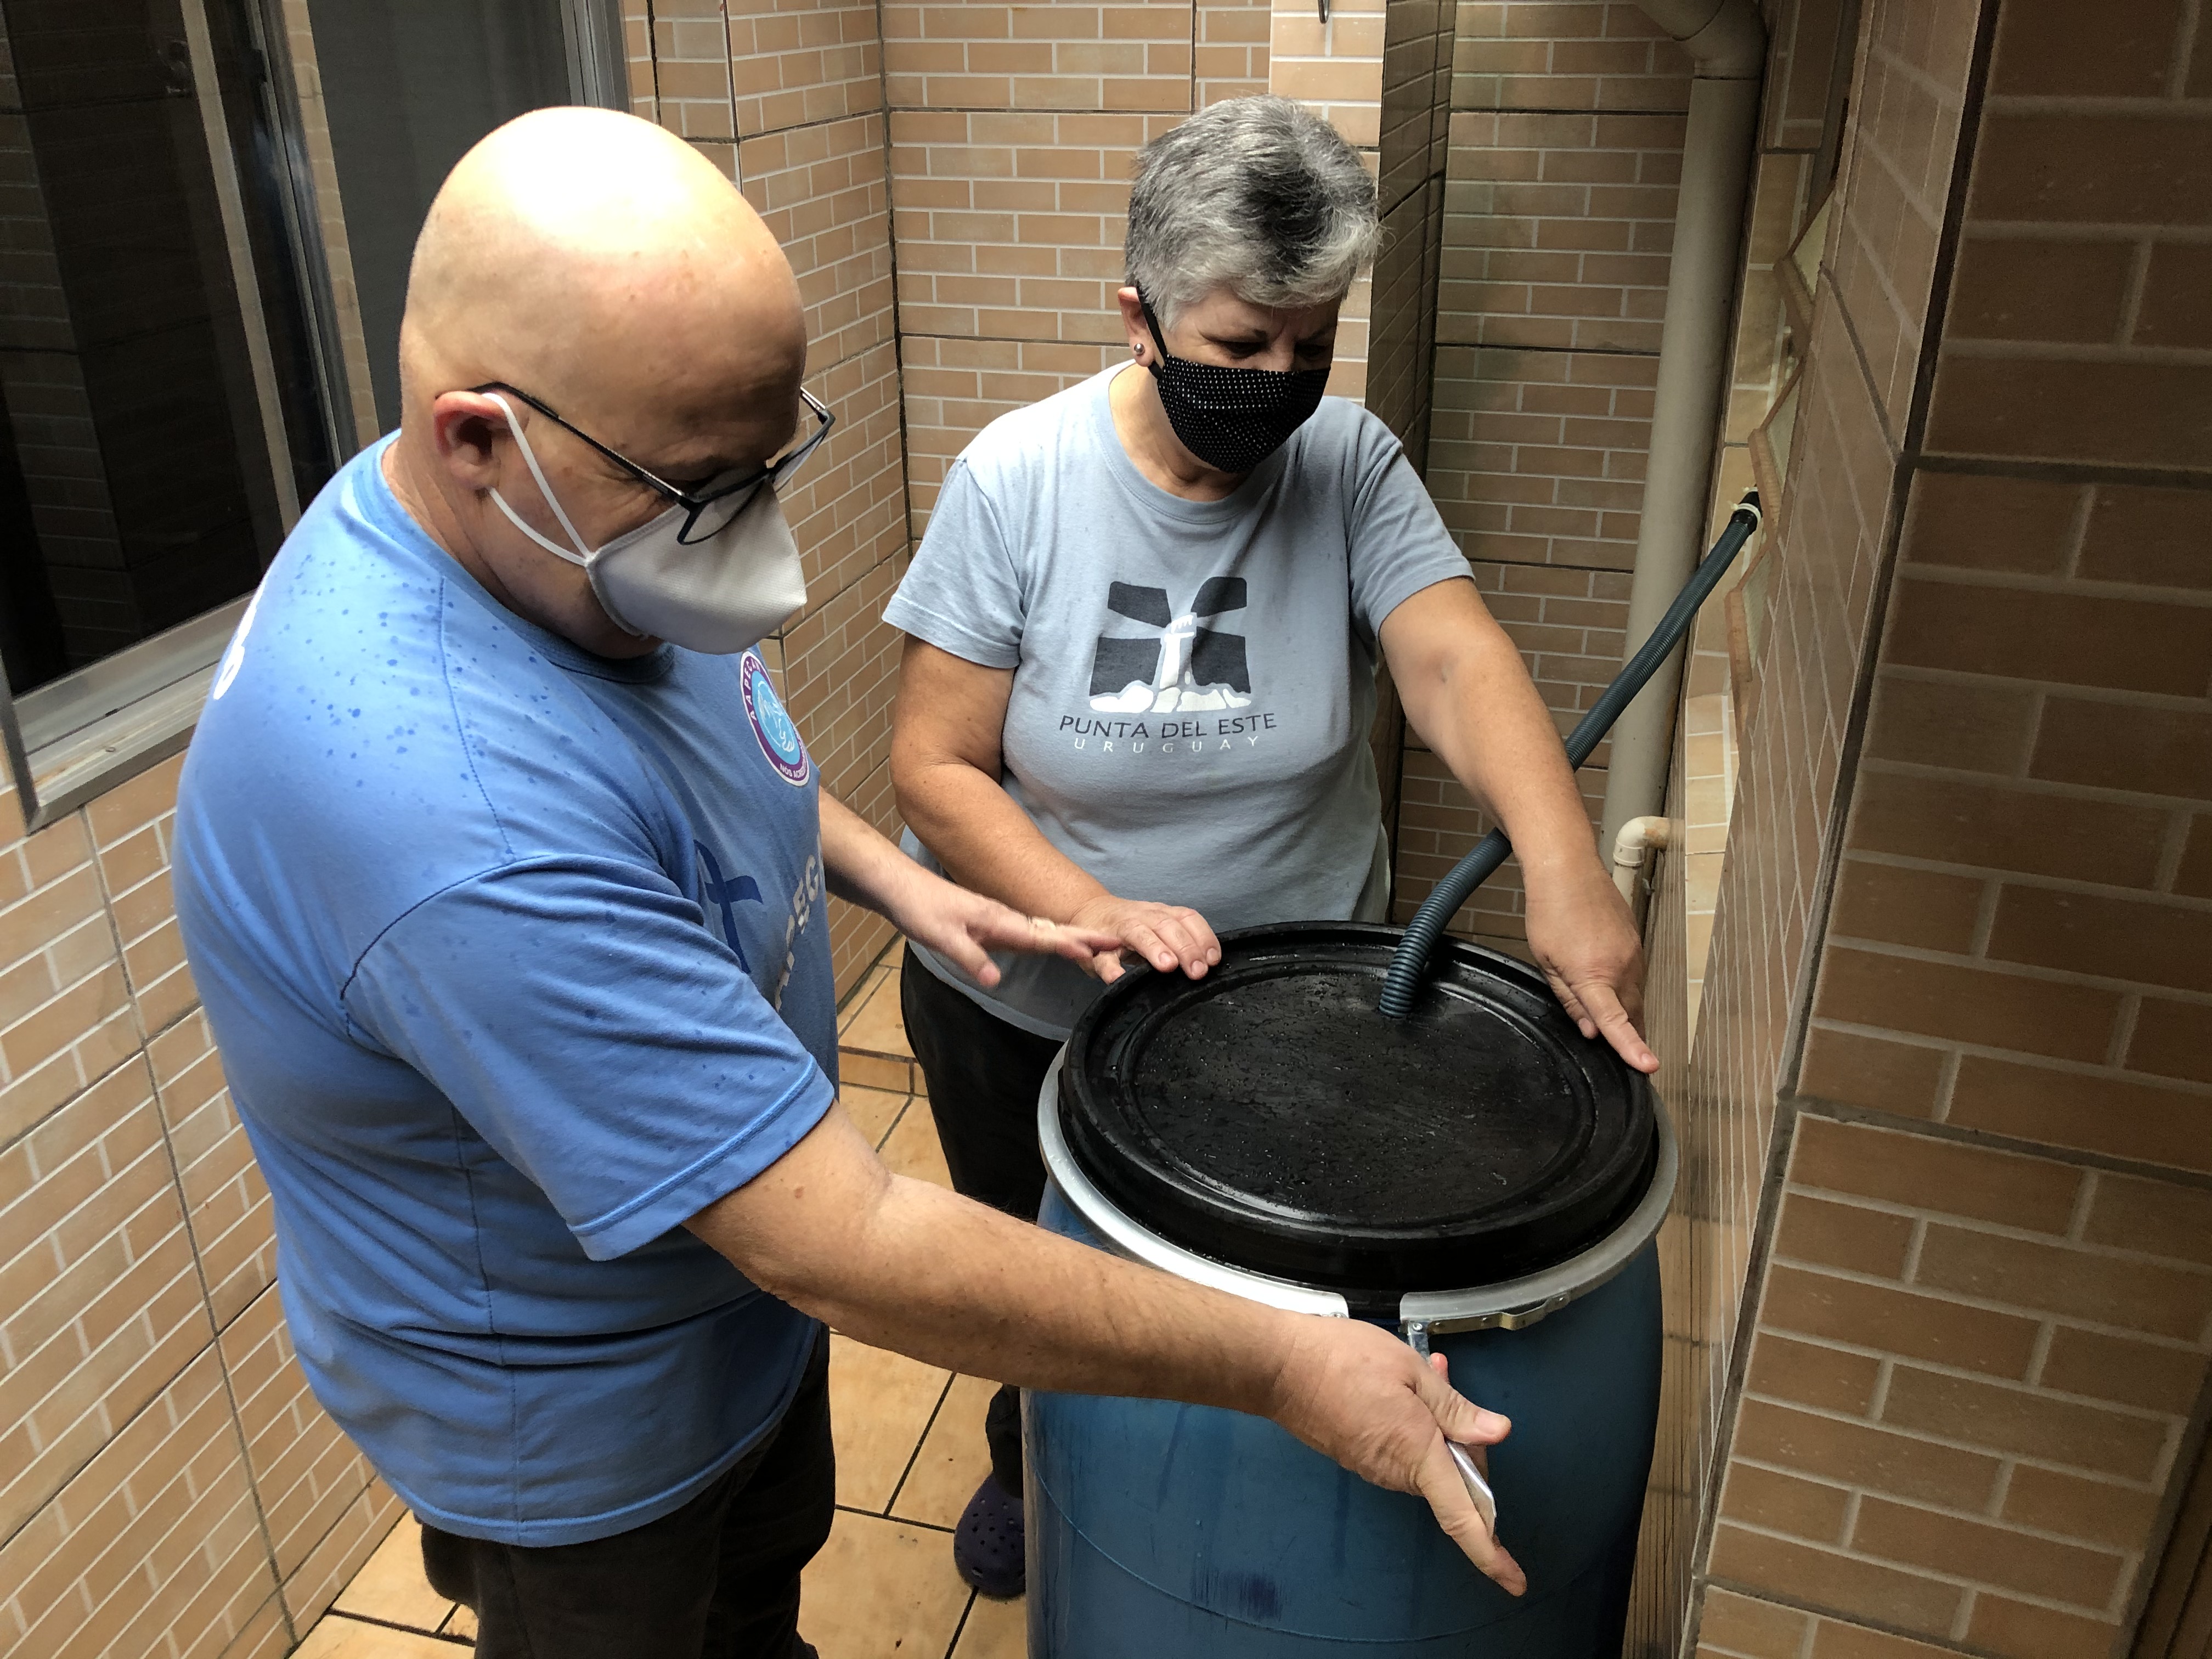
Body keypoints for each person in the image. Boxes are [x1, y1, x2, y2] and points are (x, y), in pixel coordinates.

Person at [172, 107, 1526, 1659]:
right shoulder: (440, 815)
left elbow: (673, 776)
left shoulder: (521, 536)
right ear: (474, 437)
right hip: (586, 1429)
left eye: (768, 465)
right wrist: (1289, 1365)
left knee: (757, 1616)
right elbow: (842, 1230)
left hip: (725, 1322)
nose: (759, 549)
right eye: (704, 491)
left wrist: (900, 880)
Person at [885, 94, 1654, 1595]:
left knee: (1258, 1303)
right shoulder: (1016, 482)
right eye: (1242, 350)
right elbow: (933, 769)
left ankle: (1219, 1518)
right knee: (1046, 1283)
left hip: (1284, 1012)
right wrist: (1084, 902)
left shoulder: (1352, 465)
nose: (1281, 383)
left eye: (1314, 346)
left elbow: (1453, 662)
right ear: (1141, 313)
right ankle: (1030, 1449)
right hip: (1030, 1003)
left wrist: (1562, 862)